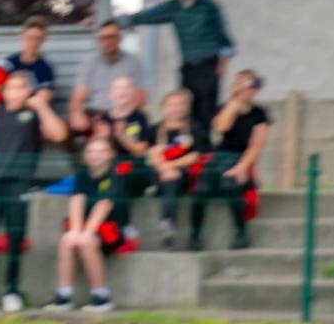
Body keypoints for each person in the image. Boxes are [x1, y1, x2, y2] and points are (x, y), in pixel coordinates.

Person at [0, 71, 67, 312]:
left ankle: (12, 290)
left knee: (15, 236)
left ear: (29, 91)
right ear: (4, 91)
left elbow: (59, 134)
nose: (16, 92)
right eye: (12, 87)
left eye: (22, 87)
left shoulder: (33, 114)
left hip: (20, 181)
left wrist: (42, 106)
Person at [119, 0, 235, 129]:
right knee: (185, 110)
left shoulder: (209, 7)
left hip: (208, 64)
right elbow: (150, 15)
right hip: (188, 66)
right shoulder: (174, 7)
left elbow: (224, 37)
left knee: (206, 112)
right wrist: (119, 21)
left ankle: (204, 150)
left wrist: (222, 64)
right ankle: (187, 147)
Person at [190, 70, 270, 251]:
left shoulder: (260, 114)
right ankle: (195, 237)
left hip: (242, 158)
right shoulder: (225, 107)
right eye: (242, 84)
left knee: (230, 186)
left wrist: (241, 167)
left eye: (250, 85)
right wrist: (234, 103)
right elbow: (221, 127)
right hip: (220, 156)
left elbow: (256, 146)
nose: (247, 89)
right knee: (201, 191)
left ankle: (241, 233)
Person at [52, 136, 128, 312]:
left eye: (101, 151)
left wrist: (86, 234)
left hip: (111, 230)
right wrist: (76, 232)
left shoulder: (115, 175)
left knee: (87, 242)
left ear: (110, 154)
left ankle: (101, 296)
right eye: (91, 151)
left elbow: (104, 205)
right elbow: (76, 201)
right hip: (87, 228)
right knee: (67, 240)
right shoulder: (82, 176)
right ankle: (63, 296)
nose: (95, 156)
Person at [146, 87, 208, 248]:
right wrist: (164, 168)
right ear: (163, 107)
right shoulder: (154, 130)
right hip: (160, 174)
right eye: (171, 105)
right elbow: (151, 153)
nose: (175, 109)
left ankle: (168, 225)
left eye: (180, 105)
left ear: (187, 108)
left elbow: (195, 155)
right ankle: (168, 226)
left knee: (174, 179)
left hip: (185, 175)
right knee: (169, 179)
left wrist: (170, 166)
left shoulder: (194, 128)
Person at [68, 20, 146, 139]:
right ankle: (78, 158)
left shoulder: (132, 62)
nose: (107, 41)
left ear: (120, 38)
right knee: (66, 131)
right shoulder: (89, 63)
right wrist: (77, 114)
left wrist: (119, 116)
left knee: (134, 133)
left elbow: (140, 98)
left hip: (122, 113)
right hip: (94, 113)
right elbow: (77, 96)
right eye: (103, 38)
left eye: (111, 37)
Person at [93, 75, 154, 211]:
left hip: (135, 172)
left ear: (133, 93)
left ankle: (122, 225)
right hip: (109, 171)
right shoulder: (103, 118)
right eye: (118, 88)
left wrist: (122, 136)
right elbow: (94, 153)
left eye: (127, 87)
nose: (122, 91)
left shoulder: (140, 117)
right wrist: (103, 138)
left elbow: (141, 150)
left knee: (118, 177)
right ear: (110, 94)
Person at [3, 17, 55, 104]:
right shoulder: (8, 64)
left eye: (37, 38)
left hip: (32, 111)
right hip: (8, 109)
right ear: (22, 37)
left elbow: (45, 96)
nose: (33, 42)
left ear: (43, 40)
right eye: (29, 38)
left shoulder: (45, 68)